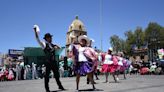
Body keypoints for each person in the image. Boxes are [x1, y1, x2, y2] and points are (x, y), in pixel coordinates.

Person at [34, 27, 65, 92]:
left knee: (57, 75)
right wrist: (35, 32)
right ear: (47, 38)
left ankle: (60, 86)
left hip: (54, 62)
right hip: (48, 62)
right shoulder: (44, 44)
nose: (51, 38)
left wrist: (56, 46)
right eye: (50, 37)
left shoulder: (52, 44)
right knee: (47, 76)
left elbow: (59, 47)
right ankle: (47, 89)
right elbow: (37, 39)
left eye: (51, 37)